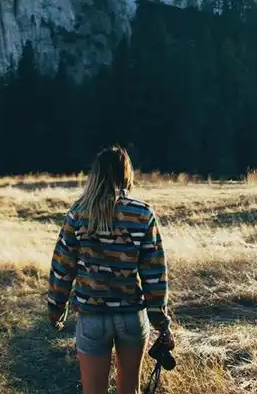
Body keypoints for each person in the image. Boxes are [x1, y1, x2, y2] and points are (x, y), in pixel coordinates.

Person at [47, 146, 174, 394]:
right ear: (126, 174)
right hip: (131, 317)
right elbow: (154, 274)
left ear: (95, 175)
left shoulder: (78, 213)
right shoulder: (142, 213)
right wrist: (161, 322)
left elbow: (62, 266)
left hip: (93, 317)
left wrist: (56, 308)